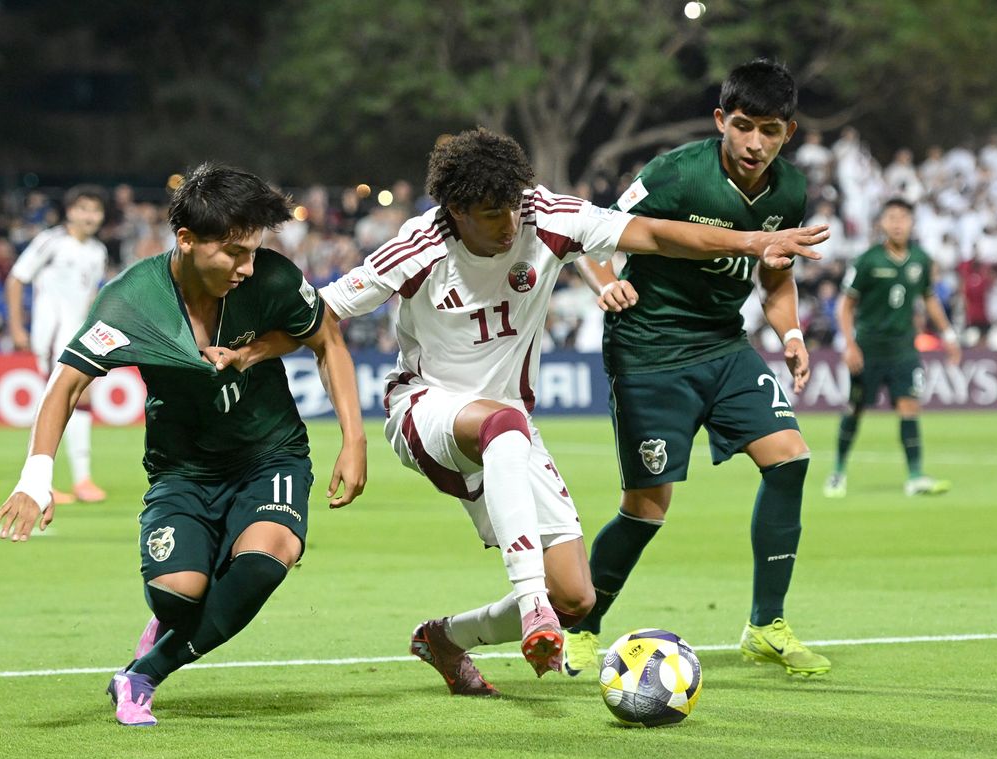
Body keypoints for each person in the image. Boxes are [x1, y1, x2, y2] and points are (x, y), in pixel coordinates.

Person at [316, 127, 827, 695]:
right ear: (456, 211)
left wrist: (752, 243)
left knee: (576, 598)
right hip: (425, 407)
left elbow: (653, 233)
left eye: (513, 208)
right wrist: (353, 438)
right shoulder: (420, 245)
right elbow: (321, 314)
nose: (509, 225)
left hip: (508, 425)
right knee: (505, 435)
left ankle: (445, 638)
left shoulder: (545, 216)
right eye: (491, 215)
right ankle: (531, 602)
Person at [0, 163, 367, 726]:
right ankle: (180, 606)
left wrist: (354, 439)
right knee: (178, 595)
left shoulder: (272, 278)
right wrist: (35, 478)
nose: (247, 267)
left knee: (264, 563)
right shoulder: (131, 301)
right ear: (187, 239)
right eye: (233, 253)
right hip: (183, 470)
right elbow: (65, 384)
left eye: (253, 251)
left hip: (270, 453)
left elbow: (326, 339)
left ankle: (143, 673)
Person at [565, 59, 832, 679]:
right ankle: (581, 625)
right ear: (720, 120)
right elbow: (589, 236)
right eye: (743, 126)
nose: (754, 143)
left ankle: (766, 626)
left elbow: (775, 276)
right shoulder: (676, 173)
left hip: (723, 344)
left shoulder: (789, 191)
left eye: (769, 130)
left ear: (788, 132)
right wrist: (605, 283)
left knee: (789, 457)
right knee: (647, 507)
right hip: (649, 350)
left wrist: (791, 333)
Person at [824, 198, 960, 498]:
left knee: (909, 407)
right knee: (855, 408)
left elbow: (929, 298)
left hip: (903, 348)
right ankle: (837, 472)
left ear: (912, 223)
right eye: (891, 218)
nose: (897, 223)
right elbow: (845, 305)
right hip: (868, 349)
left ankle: (915, 477)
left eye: (903, 218)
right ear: (882, 223)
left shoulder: (921, 260)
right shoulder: (868, 261)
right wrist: (849, 345)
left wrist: (949, 335)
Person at [6, 185, 111, 504]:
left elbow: (92, 296)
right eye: (84, 208)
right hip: (52, 334)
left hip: (79, 334)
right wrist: (16, 327)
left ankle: (75, 480)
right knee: (64, 400)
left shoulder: (98, 251)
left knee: (75, 399)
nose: (90, 216)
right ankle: (55, 481)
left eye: (96, 210)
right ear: (70, 212)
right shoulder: (50, 242)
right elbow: (16, 278)